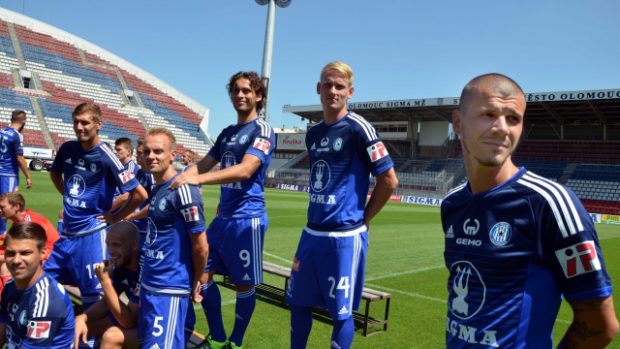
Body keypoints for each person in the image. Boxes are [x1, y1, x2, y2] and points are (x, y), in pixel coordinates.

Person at [442, 73, 619, 348]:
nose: (502, 128)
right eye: (488, 114)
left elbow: (600, 322)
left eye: (513, 118)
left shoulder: (550, 203)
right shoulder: (452, 203)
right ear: (458, 122)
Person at [285, 61, 399, 349]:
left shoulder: (359, 128)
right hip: (311, 234)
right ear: (318, 88)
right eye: (327, 84)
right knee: (298, 303)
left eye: (339, 86)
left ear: (350, 92)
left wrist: (364, 219)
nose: (332, 91)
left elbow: (389, 180)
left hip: (344, 238)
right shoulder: (312, 134)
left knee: (341, 312)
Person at [170, 71, 275, 349]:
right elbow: (202, 164)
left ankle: (236, 342)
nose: (240, 95)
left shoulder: (262, 130)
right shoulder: (228, 133)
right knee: (202, 275)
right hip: (223, 218)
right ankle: (217, 337)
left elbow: (246, 169)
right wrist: (172, 178)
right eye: (236, 91)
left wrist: (196, 179)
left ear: (259, 96)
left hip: (247, 219)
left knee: (244, 284)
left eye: (246, 91)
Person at [45, 102, 147, 311]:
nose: (79, 127)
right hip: (66, 234)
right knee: (44, 282)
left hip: (91, 235)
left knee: (92, 294)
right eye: (76, 122)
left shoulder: (106, 155)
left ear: (99, 124)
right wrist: (67, 195)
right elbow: (55, 173)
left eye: (85, 123)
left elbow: (139, 194)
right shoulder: (67, 148)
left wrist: (115, 218)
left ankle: (90, 341)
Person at [139, 128, 209, 349]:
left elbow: (201, 247)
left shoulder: (184, 190)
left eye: (158, 151)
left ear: (172, 154)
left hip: (168, 289)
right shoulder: (157, 187)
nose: (151, 156)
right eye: (147, 151)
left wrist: (197, 280)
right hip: (150, 285)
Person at [0, 221, 75, 348]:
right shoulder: (11, 286)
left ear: (43, 253)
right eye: (10, 253)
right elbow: (2, 329)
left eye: (25, 253)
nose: (16, 260)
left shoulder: (45, 301)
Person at [74, 221, 141, 349]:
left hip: (159, 327)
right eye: (108, 244)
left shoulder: (146, 270)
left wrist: (105, 281)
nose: (110, 251)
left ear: (134, 245)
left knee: (111, 337)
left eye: (116, 245)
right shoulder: (122, 266)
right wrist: (83, 317)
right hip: (137, 322)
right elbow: (107, 303)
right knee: (75, 328)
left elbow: (127, 321)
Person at [0, 192, 60, 295]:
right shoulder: (17, 223)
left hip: (50, 257)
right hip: (40, 255)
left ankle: (12, 296)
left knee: (5, 264)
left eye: (2, 207)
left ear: (16, 206)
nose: (0, 210)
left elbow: (28, 251)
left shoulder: (29, 221)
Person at [0, 109, 32, 235]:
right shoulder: (16, 135)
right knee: (7, 204)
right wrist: (28, 176)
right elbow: (19, 158)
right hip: (8, 174)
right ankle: (1, 233)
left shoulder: (1, 131)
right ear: (24, 121)